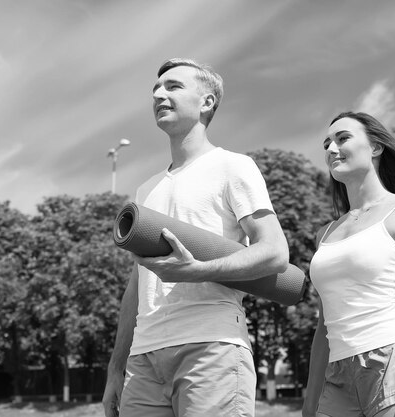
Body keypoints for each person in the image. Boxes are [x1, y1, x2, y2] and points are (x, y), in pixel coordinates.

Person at [102, 58, 289, 417]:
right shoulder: (146, 189)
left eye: (173, 86)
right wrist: (115, 368)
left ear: (207, 103)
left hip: (211, 346)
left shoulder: (233, 166)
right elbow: (136, 285)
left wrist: (194, 270)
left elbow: (275, 253)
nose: (159, 94)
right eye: (156, 89)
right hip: (144, 358)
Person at [302, 112, 395, 417]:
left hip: (391, 362)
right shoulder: (324, 234)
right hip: (337, 374)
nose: (330, 149)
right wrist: (311, 397)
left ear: (376, 148)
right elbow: (323, 324)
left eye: (342, 138)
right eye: (326, 143)